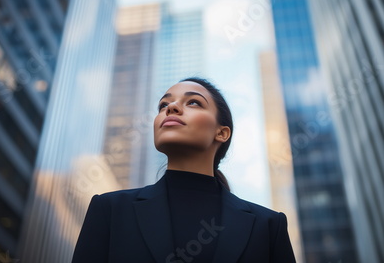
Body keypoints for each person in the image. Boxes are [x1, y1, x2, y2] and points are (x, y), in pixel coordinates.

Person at [71, 77, 296, 263]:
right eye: (163, 106)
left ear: (222, 133)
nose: (171, 108)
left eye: (194, 103)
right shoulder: (109, 210)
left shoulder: (268, 226)